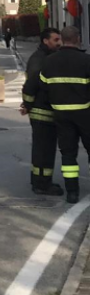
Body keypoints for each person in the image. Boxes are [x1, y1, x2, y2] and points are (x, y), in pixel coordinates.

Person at [40, 26, 90, 203]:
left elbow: (43, 87)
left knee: (68, 154)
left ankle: (72, 193)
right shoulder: (86, 60)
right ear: (77, 39)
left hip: (61, 114)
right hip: (84, 113)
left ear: (62, 39)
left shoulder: (49, 61)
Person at [21, 28, 63, 195]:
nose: (59, 43)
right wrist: (28, 104)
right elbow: (31, 85)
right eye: (55, 40)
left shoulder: (45, 58)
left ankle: (41, 181)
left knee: (45, 149)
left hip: (43, 110)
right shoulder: (39, 60)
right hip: (42, 112)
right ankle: (41, 184)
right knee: (43, 151)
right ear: (46, 41)